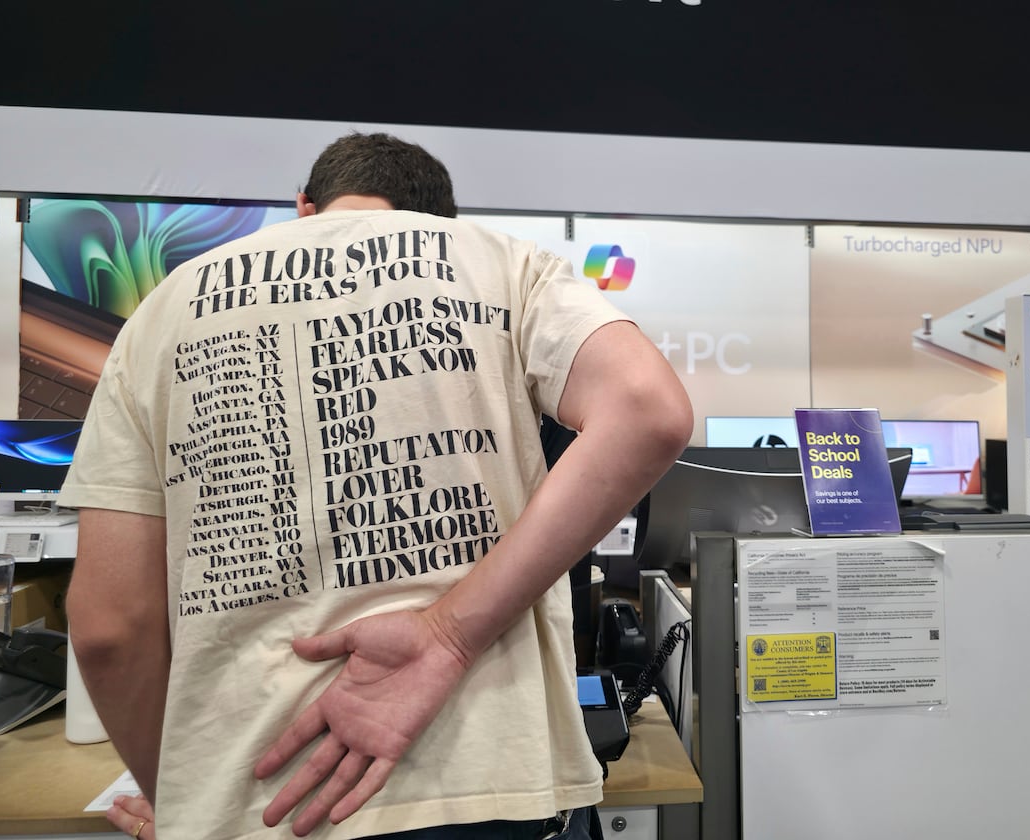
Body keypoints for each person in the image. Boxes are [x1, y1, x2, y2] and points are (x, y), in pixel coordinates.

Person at [60, 132, 693, 840]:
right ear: (439, 218)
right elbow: (648, 410)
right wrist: (448, 635)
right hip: (489, 788)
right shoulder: (502, 264)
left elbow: (109, 628)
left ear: (305, 205)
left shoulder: (160, 314)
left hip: (268, 801)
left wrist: (182, 801)